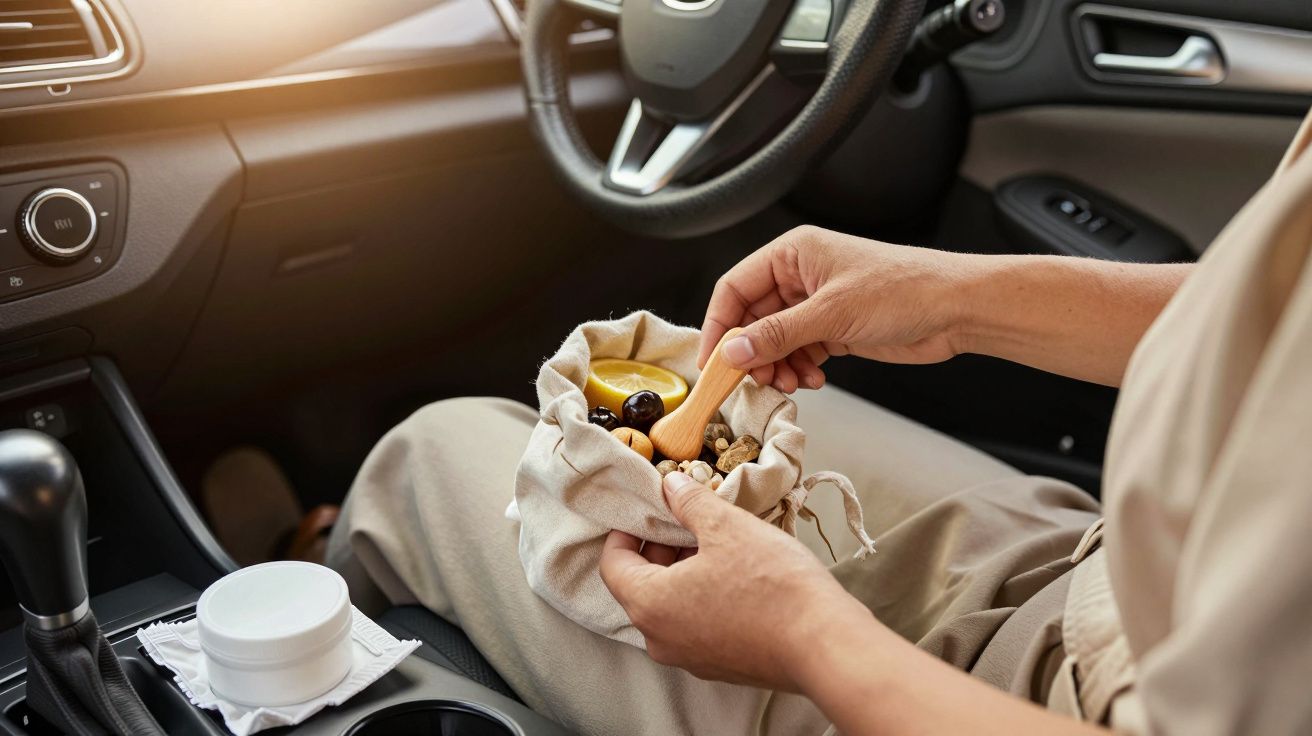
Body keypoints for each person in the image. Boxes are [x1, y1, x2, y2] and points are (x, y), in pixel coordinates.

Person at [327, 108, 1312, 735]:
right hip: (1097, 561)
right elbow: (1272, 315)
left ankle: (310, 592)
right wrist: (952, 300)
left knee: (430, 451)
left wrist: (805, 636)